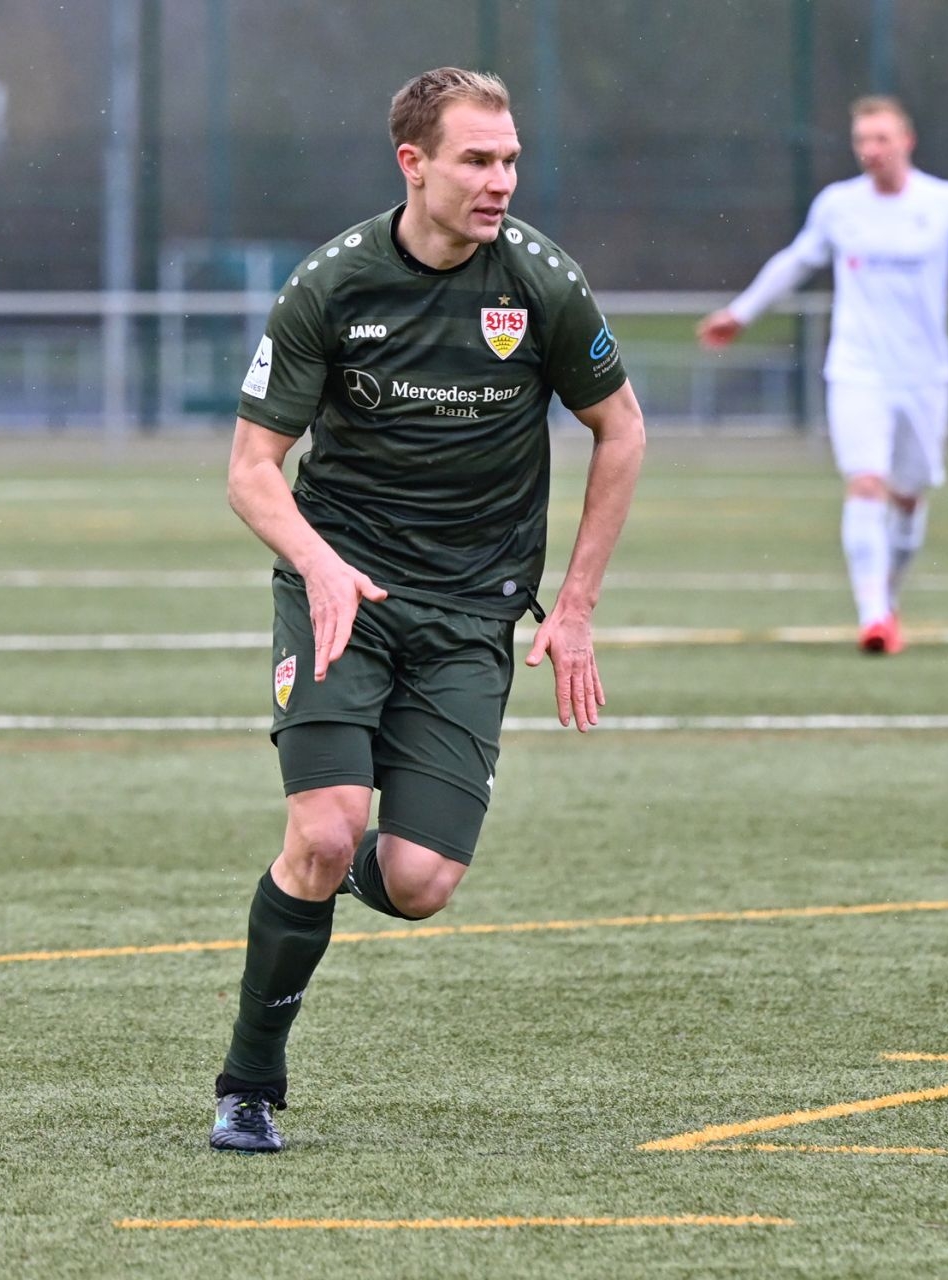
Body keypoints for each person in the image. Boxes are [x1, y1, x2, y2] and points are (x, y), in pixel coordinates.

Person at [211, 67, 644, 1152]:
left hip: (470, 612)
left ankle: (342, 870)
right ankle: (248, 1084)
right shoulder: (331, 285)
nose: (501, 181)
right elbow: (253, 470)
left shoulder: (541, 283)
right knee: (322, 829)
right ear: (413, 164)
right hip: (343, 595)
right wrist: (316, 564)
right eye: (476, 160)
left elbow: (622, 427)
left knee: (418, 882)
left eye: (510, 161)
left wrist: (576, 605)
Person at [697, 95, 948, 654]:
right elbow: (796, 260)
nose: (871, 149)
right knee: (867, 482)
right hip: (856, 369)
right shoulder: (838, 205)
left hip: (926, 375)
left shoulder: (946, 204)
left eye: (881, 138)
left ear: (906, 141)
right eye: (862, 140)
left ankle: (887, 597)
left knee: (908, 497)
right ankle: (873, 616)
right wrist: (741, 312)